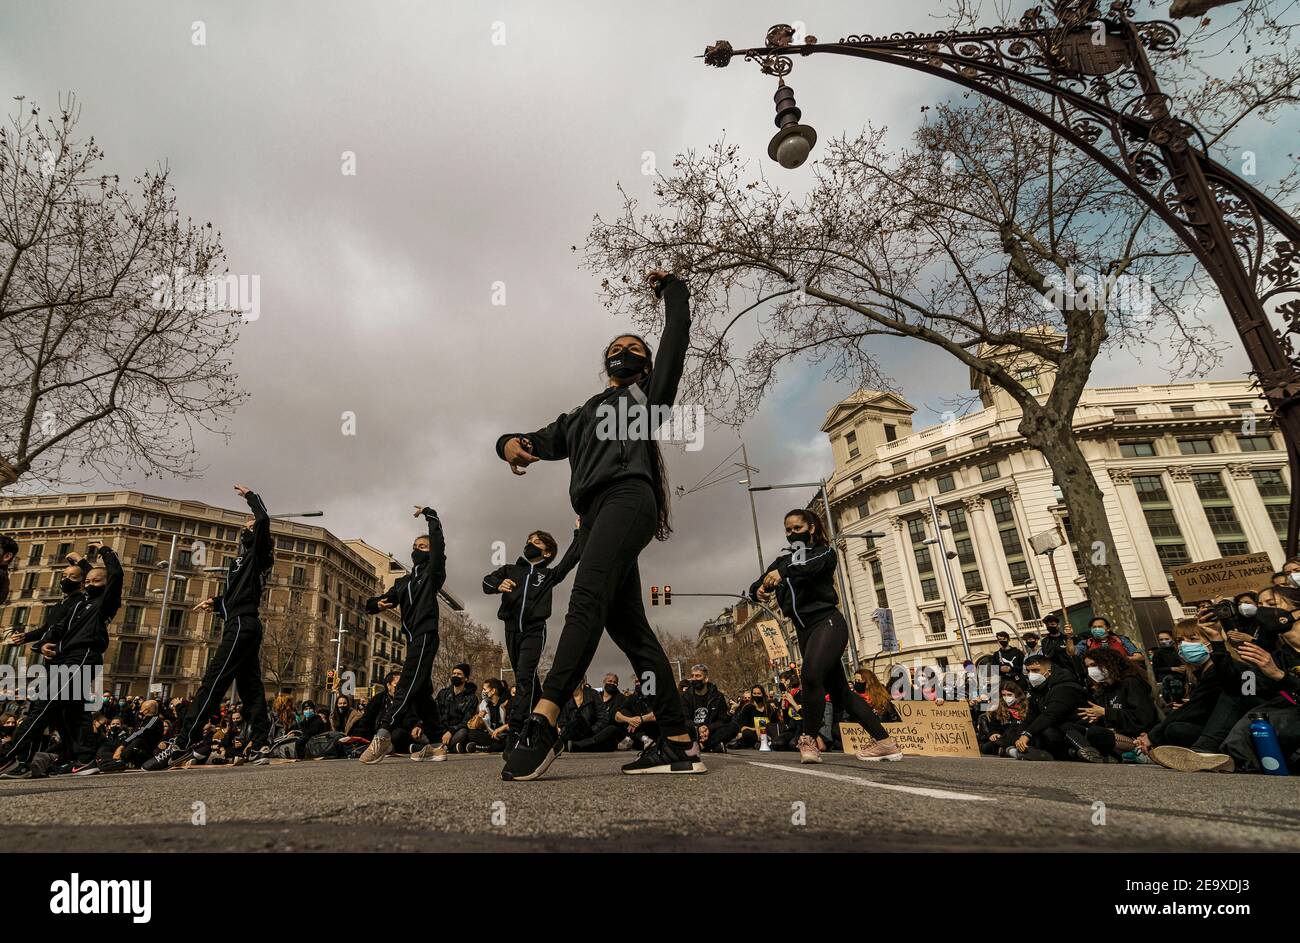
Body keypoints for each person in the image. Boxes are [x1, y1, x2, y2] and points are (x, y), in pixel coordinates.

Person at [494, 269, 700, 780]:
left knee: (586, 596)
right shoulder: (582, 413)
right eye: (618, 346)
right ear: (605, 362)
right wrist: (508, 443)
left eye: (636, 347)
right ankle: (675, 740)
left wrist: (673, 290)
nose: (625, 350)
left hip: (629, 500)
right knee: (630, 629)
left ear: (647, 364)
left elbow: (676, 338)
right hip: (592, 518)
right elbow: (535, 438)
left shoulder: (647, 398)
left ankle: (545, 719)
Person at [749, 508, 903, 765]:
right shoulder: (782, 561)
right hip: (804, 630)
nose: (791, 534)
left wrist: (782, 573)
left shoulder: (824, 552)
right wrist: (759, 591)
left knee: (810, 674)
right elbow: (760, 582)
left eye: (797, 528)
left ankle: (809, 740)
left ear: (810, 528)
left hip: (827, 622)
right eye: (787, 530)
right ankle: (885, 742)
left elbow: (807, 567)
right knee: (841, 692)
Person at [145, 486, 274, 770]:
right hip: (240, 622)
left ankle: (184, 741)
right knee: (250, 687)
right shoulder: (240, 563)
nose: (247, 526)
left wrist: (252, 497)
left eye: (249, 524)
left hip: (241, 625)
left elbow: (263, 521)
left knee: (214, 681)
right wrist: (215, 603)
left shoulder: (260, 557)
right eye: (246, 525)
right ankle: (263, 742)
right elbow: (235, 596)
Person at [0, 541, 121, 778]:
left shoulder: (105, 603)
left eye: (96, 581)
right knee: (75, 711)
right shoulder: (78, 605)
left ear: (107, 586)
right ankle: (86, 759)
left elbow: (115, 573)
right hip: (65, 657)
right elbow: (56, 627)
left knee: (44, 705)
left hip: (83, 656)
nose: (90, 584)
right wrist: (42, 643)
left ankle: (12, 756)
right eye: (88, 582)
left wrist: (103, 551)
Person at [359, 506, 448, 764]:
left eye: (422, 546)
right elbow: (377, 602)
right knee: (420, 693)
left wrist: (431, 515)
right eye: (414, 545)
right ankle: (435, 744)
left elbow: (439, 546)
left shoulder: (433, 574)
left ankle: (384, 733)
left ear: (430, 552)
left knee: (407, 682)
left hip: (426, 634)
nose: (416, 548)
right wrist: (377, 604)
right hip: (412, 638)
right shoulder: (403, 583)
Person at [481, 524, 581, 751]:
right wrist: (498, 584)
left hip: (535, 631)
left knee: (524, 678)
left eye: (536, 542)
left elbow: (572, 557)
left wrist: (579, 532)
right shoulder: (510, 569)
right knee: (529, 681)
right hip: (510, 630)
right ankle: (545, 726)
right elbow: (486, 582)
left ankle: (517, 733)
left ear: (547, 552)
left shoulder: (549, 575)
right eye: (529, 541)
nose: (530, 545)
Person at [1062, 646, 1159, 763]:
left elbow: (1143, 718)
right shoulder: (1105, 688)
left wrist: (1105, 712)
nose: (1090, 670)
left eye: (1093, 665)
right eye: (1088, 667)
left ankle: (1140, 754)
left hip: (1136, 736)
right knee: (1069, 727)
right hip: (1114, 731)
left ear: (1109, 663)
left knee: (1096, 734)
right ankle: (1090, 752)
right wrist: (1098, 717)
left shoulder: (1131, 682)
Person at [1011, 653, 1086, 760]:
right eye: (1028, 671)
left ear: (1049, 671)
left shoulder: (1065, 686)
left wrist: (1027, 734)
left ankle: (1073, 753)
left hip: (1074, 728)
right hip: (1056, 727)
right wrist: (1020, 736)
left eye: (1036, 670)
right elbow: (1030, 716)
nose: (1031, 675)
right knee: (1026, 733)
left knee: (1047, 731)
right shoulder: (1038, 690)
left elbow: (1052, 714)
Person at [680, 665, 738, 754]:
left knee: (733, 726)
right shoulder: (685, 696)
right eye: (692, 676)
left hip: (711, 732)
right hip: (693, 731)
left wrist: (708, 728)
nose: (694, 679)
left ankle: (703, 746)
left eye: (698, 676)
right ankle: (713, 746)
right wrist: (698, 728)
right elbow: (685, 719)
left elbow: (722, 720)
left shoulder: (718, 696)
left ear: (706, 679)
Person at [431, 664, 478, 753]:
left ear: (466, 678)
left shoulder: (471, 698)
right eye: (454, 673)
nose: (455, 676)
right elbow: (436, 713)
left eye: (459, 674)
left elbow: (466, 721)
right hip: (441, 729)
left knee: (463, 732)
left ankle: (436, 749)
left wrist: (450, 731)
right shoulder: (443, 693)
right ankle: (451, 748)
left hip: (456, 731)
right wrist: (443, 730)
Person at [977, 681, 1028, 756]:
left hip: (1022, 736)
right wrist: (994, 733)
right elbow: (994, 726)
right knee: (986, 747)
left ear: (1017, 695)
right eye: (1004, 695)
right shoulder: (998, 708)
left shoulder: (1026, 707)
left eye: (1009, 695)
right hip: (1004, 737)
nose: (1006, 697)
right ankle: (1011, 750)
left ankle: (1008, 751)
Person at [728, 685, 780, 749]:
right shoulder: (747, 708)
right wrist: (756, 729)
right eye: (754, 693)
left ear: (763, 694)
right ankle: (760, 743)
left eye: (758, 693)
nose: (756, 695)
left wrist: (763, 731)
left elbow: (776, 724)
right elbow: (743, 728)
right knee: (746, 734)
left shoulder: (769, 708)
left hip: (768, 734)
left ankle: (760, 743)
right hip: (753, 734)